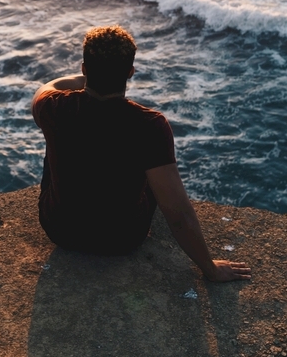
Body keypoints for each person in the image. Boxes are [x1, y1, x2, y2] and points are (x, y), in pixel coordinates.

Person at [32, 25, 251, 283]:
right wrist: (210, 268)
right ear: (130, 73)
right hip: (122, 238)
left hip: (60, 229)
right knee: (152, 169)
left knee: (56, 141)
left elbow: (48, 87)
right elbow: (177, 212)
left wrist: (89, 78)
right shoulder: (150, 126)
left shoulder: (52, 107)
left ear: (84, 68)